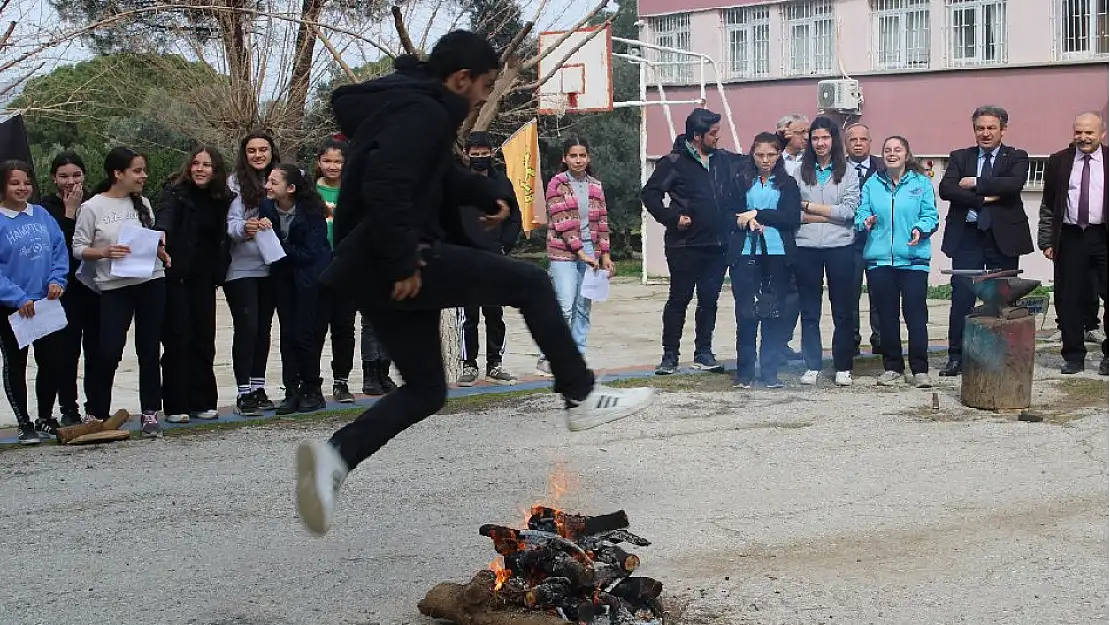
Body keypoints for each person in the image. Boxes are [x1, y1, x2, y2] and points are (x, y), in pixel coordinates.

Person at [295, 30, 655, 536]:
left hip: (368, 266)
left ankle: (334, 458)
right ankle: (581, 395)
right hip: (398, 261)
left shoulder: (411, 108)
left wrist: (485, 192)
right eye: (485, 85)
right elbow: (386, 183)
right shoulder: (425, 113)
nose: (485, 97)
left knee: (424, 391)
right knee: (530, 282)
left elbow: (434, 174)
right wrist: (403, 261)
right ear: (461, 78)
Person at [72, 147, 170, 437]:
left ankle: (150, 412)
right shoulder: (92, 207)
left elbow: (150, 241)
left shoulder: (143, 203)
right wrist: (104, 252)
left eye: (143, 170)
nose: (144, 176)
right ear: (118, 173)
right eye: (137, 170)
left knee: (149, 349)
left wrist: (161, 252)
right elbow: (78, 248)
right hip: (114, 287)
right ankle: (98, 411)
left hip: (151, 281)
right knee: (109, 350)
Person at [938, 105, 1032, 377]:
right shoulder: (959, 156)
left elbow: (1012, 185)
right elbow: (946, 189)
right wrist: (982, 198)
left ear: (1003, 129)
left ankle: (1002, 358)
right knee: (962, 298)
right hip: (968, 237)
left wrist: (974, 182)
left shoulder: (1017, 156)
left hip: (1003, 239)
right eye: (980, 128)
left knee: (1002, 300)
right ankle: (957, 357)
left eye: (991, 128)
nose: (985, 133)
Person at [641, 108, 733, 375]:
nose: (718, 137)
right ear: (697, 135)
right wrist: (671, 217)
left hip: (716, 245)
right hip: (684, 245)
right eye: (713, 133)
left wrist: (780, 140)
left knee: (709, 300)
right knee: (679, 299)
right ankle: (670, 355)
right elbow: (650, 195)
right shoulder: (673, 162)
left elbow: (752, 161)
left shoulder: (722, 160)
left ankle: (703, 352)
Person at [154, 146, 232, 423]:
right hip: (176, 274)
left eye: (207, 165)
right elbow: (164, 220)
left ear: (216, 170)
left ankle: (203, 401)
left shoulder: (222, 198)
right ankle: (176, 404)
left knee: (203, 340)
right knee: (177, 339)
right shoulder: (175, 193)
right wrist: (161, 242)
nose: (200, 169)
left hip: (205, 278)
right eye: (196, 164)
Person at [856, 136, 939, 388]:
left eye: (897, 150)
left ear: (906, 154)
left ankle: (920, 369)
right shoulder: (872, 183)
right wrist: (865, 221)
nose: (892, 154)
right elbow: (861, 212)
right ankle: (892, 366)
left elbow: (931, 216)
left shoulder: (921, 183)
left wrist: (919, 229)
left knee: (915, 315)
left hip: (913, 261)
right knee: (887, 316)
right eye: (887, 150)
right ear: (882, 155)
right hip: (880, 260)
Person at [0, 160, 70, 444]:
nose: (22, 188)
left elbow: (58, 249)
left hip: (45, 306)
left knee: (52, 362)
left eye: (26, 182)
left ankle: (44, 417)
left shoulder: (41, 214)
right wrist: (18, 297)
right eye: (15, 182)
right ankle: (23, 422)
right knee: (15, 365)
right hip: (12, 309)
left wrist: (58, 280)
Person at [1037, 111, 1108, 376]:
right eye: (1078, 132)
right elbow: (1048, 205)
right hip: (1070, 236)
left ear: (1102, 133)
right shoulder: (1058, 161)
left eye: (1089, 132)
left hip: (1104, 237)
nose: (1083, 137)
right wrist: (1046, 240)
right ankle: (1074, 355)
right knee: (1068, 299)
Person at [791, 116, 861, 387]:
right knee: (809, 309)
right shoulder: (798, 170)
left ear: (834, 140)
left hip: (840, 246)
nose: (820, 143)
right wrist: (825, 215)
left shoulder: (849, 172)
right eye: (815, 138)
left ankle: (843, 365)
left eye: (825, 138)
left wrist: (810, 208)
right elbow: (792, 210)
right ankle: (812, 364)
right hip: (806, 246)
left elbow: (849, 212)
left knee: (842, 309)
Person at [729, 132, 801, 389]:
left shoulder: (788, 184)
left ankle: (769, 372)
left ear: (779, 155)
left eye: (770, 154)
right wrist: (744, 219)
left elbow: (791, 218)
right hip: (746, 253)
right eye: (760, 154)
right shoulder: (740, 181)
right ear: (752, 154)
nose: (765, 160)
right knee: (746, 314)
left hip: (777, 254)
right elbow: (728, 215)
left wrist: (759, 213)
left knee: (773, 313)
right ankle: (745, 373)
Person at [261, 164, 333, 414]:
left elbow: (310, 253)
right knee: (288, 335)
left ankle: (313, 388)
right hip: (283, 278)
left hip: (310, 278)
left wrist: (279, 243)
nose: (267, 186)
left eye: (274, 182)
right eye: (267, 181)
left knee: (306, 334)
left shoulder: (312, 211)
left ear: (290, 188)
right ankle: (291, 390)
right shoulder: (267, 206)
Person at [538, 135, 611, 374]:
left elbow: (601, 221)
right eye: (573, 156)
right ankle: (549, 356)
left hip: (590, 251)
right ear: (565, 158)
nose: (578, 160)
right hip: (563, 252)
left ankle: (577, 354)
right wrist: (580, 252)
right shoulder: (557, 184)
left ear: (588, 157)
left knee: (583, 306)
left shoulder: (595, 186)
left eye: (582, 155)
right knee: (565, 305)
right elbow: (563, 222)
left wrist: (605, 254)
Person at [456, 131, 522, 386]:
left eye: (485, 154)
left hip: (495, 257)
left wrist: (504, 245)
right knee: (468, 315)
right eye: (476, 155)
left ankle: (495, 364)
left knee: (494, 313)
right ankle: (468, 365)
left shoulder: (503, 183)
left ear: (493, 153)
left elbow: (514, 217)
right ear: (466, 155)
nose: (481, 158)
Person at [39, 151, 99, 428]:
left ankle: (95, 405)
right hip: (64, 290)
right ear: (53, 178)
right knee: (66, 352)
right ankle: (68, 407)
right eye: (63, 176)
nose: (70, 181)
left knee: (97, 350)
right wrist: (70, 212)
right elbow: (62, 246)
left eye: (76, 175)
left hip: (94, 286)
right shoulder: (46, 208)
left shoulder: (95, 202)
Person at [225, 131, 280, 415]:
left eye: (263, 149)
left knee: (264, 329)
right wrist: (245, 229)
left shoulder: (282, 178)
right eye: (252, 150)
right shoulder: (235, 183)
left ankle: (259, 387)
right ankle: (243, 390)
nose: (258, 155)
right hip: (242, 267)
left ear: (272, 152)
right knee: (247, 327)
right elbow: (230, 223)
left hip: (273, 265)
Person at [844, 123, 885, 356]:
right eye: (853, 140)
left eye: (863, 139)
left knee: (880, 291)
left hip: (879, 240)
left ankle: (881, 339)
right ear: (846, 144)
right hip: (849, 241)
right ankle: (851, 340)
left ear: (870, 141)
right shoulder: (838, 168)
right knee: (849, 293)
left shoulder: (883, 166)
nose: (858, 144)